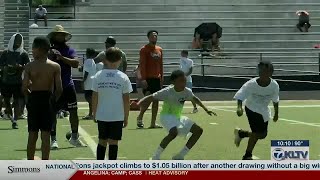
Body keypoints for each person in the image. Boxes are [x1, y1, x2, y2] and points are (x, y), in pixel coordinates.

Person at [138, 70, 216, 160]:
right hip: (166, 116)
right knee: (173, 133)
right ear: (173, 82)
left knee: (198, 131)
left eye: (184, 81)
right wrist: (139, 102)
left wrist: (206, 109)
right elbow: (151, 97)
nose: (184, 83)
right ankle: (156, 156)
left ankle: (180, 155)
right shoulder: (167, 91)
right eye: (181, 81)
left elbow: (195, 99)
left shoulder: (187, 91)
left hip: (178, 117)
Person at [23, 36, 63, 160]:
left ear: (40, 49)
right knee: (46, 135)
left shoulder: (29, 66)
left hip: (34, 99)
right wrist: (52, 100)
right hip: (47, 100)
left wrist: (29, 98)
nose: (32, 51)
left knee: (32, 134)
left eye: (33, 48)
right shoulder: (55, 66)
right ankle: (45, 164)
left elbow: (24, 87)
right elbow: (59, 89)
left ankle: (30, 163)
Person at [47, 25, 86, 149]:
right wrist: (50, 56)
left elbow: (76, 63)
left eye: (62, 34)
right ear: (54, 36)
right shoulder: (47, 50)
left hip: (68, 86)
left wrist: (61, 57)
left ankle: (74, 138)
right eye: (58, 34)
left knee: (73, 112)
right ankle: (53, 140)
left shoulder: (69, 50)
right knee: (52, 113)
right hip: (53, 87)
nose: (61, 36)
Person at [92, 47, 132, 160]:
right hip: (117, 116)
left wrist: (94, 112)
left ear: (105, 59)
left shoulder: (98, 75)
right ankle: (112, 168)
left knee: (102, 141)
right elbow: (126, 99)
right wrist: (126, 116)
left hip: (102, 114)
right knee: (114, 142)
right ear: (120, 60)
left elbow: (95, 96)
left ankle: (99, 167)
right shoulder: (123, 77)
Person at [233, 61, 279, 160]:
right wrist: (239, 107)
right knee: (258, 133)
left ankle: (242, 133)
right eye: (261, 72)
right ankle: (247, 155)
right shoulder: (251, 84)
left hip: (264, 110)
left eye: (265, 72)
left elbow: (275, 100)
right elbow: (240, 95)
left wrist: (276, 113)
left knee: (262, 135)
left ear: (271, 73)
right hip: (251, 108)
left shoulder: (274, 85)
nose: (262, 74)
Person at [0, 33, 30, 129]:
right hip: (5, 81)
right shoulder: (5, 53)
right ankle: (11, 118)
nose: (18, 42)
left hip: (18, 81)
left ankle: (15, 120)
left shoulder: (23, 53)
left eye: (20, 40)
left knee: (17, 101)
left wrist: (20, 67)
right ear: (12, 40)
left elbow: (29, 66)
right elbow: (0, 65)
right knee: (7, 101)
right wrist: (6, 68)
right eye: (16, 40)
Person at [137, 30, 163, 129]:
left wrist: (162, 78)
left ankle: (153, 123)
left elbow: (161, 65)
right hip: (148, 78)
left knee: (156, 101)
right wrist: (143, 79)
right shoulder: (144, 49)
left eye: (156, 35)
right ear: (148, 37)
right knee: (148, 100)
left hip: (157, 78)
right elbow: (142, 65)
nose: (154, 37)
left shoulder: (159, 49)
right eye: (152, 36)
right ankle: (140, 117)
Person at [82, 48, 96, 120]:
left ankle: (92, 113)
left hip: (88, 82)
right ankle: (91, 113)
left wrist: (83, 81)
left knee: (88, 98)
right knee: (90, 98)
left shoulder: (87, 61)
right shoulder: (92, 61)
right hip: (92, 82)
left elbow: (86, 72)